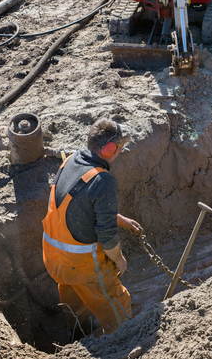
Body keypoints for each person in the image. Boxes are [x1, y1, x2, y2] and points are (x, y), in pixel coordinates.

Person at [41, 118, 142, 334]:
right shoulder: (103, 181)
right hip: (82, 265)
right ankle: (122, 342)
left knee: (75, 298)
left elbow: (80, 207)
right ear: (108, 149)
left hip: (55, 259)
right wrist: (119, 260)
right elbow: (107, 238)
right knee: (116, 301)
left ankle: (78, 333)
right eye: (119, 147)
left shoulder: (72, 160)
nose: (120, 152)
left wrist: (120, 219)